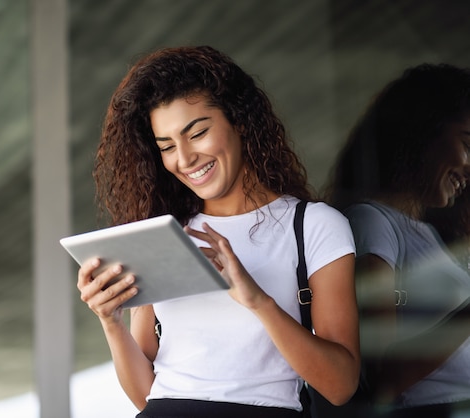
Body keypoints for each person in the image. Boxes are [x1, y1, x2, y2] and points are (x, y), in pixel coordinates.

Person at [77, 45, 360, 417]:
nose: (184, 158)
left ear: (239, 121)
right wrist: (110, 321)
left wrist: (257, 299)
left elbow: (340, 386)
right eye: (167, 146)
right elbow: (146, 396)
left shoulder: (313, 226)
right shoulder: (165, 233)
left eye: (197, 133)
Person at [324, 63, 470, 417]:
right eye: (467, 143)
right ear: (421, 133)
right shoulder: (370, 221)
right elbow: (382, 375)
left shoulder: (430, 234)